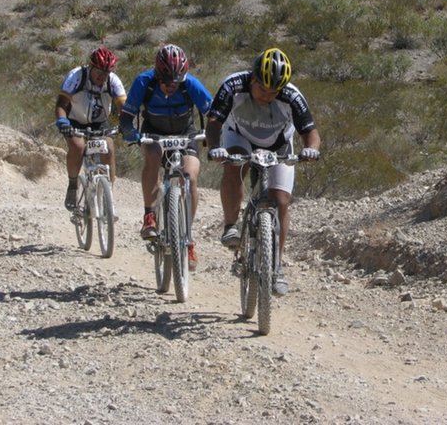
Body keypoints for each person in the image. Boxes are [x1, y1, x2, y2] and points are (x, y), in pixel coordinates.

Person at [205, 47, 321, 297]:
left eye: (273, 92)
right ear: (253, 78)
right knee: (234, 167)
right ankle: (230, 227)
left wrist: (311, 149)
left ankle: (276, 266)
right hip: (239, 135)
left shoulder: (292, 95)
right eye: (263, 89)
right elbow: (214, 121)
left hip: (278, 143)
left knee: (281, 200)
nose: (267, 95)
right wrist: (215, 148)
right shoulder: (233, 85)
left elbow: (310, 132)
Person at [119, 44, 213, 272]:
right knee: (152, 158)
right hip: (155, 133)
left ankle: (188, 240)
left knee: (189, 176)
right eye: (165, 82)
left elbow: (215, 115)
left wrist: (213, 136)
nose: (171, 87)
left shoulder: (190, 84)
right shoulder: (144, 82)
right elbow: (127, 116)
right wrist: (130, 132)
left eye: (175, 83)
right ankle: (149, 214)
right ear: (157, 75)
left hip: (186, 133)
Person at [55, 46, 127, 211]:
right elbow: (61, 105)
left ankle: (108, 193)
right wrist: (62, 122)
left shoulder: (113, 81)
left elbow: (124, 107)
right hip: (74, 120)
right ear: (90, 67)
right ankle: (73, 185)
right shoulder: (76, 76)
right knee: (78, 146)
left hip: (99, 122)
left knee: (108, 149)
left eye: (106, 73)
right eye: (99, 72)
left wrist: (126, 124)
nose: (102, 77)